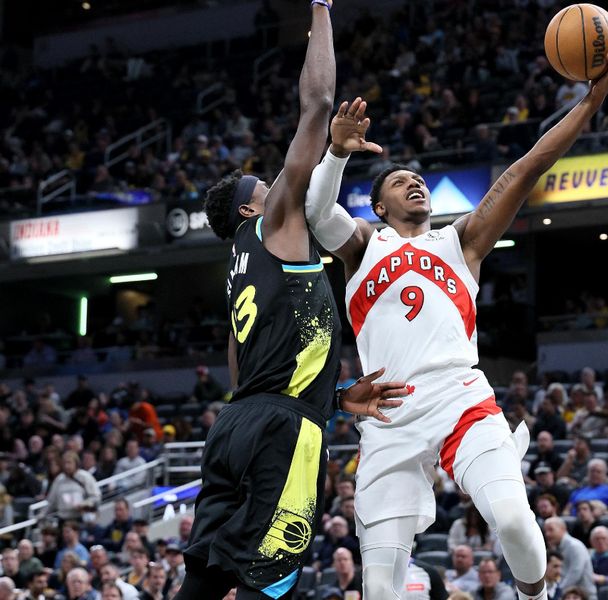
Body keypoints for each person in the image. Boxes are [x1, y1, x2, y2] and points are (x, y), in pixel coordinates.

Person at [304, 33, 608, 599]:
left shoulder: (463, 242)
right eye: (402, 182)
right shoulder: (362, 245)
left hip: (459, 397)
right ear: (379, 206)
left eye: (420, 180)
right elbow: (313, 210)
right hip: (388, 416)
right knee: (379, 588)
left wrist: (590, 102)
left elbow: (528, 167)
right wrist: (336, 152)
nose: (416, 184)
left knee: (516, 525)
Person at [173, 4, 406, 600]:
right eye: (267, 185)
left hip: (234, 425)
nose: (279, 185)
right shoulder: (277, 221)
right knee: (268, 583)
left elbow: (243, 367)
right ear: (255, 208)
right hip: (282, 430)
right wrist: (322, 7)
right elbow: (318, 102)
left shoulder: (237, 270)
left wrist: (329, 396)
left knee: (203, 578)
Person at [543, 518, 596, 600]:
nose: (547, 534)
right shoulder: (555, 548)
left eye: (551, 530)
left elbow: (575, 573)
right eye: (546, 531)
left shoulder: (575, 546)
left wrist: (558, 591)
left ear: (563, 529)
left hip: (584, 596)